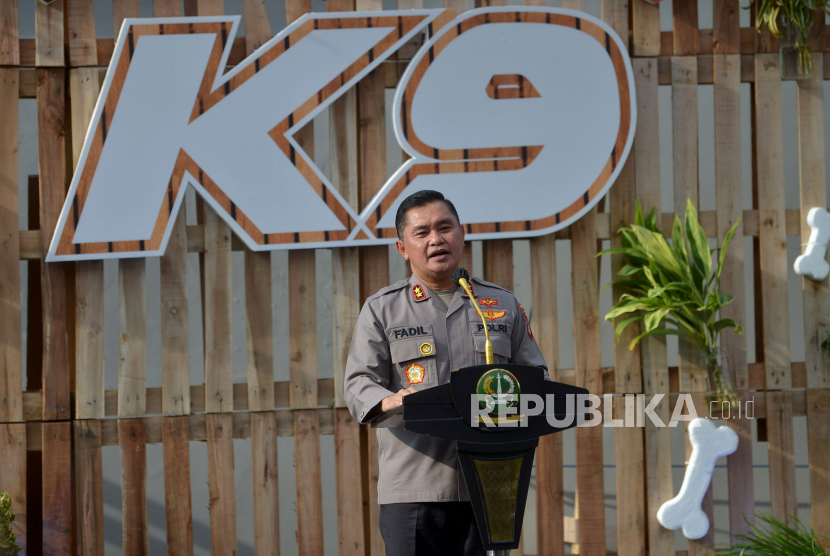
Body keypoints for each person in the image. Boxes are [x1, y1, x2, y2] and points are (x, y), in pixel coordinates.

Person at [343, 190, 549, 556]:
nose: (436, 239)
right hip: (414, 487)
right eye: (422, 233)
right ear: (402, 248)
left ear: (462, 234)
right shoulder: (382, 310)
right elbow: (359, 382)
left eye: (445, 228)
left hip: (487, 482)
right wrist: (391, 399)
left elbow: (536, 377)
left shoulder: (499, 304)